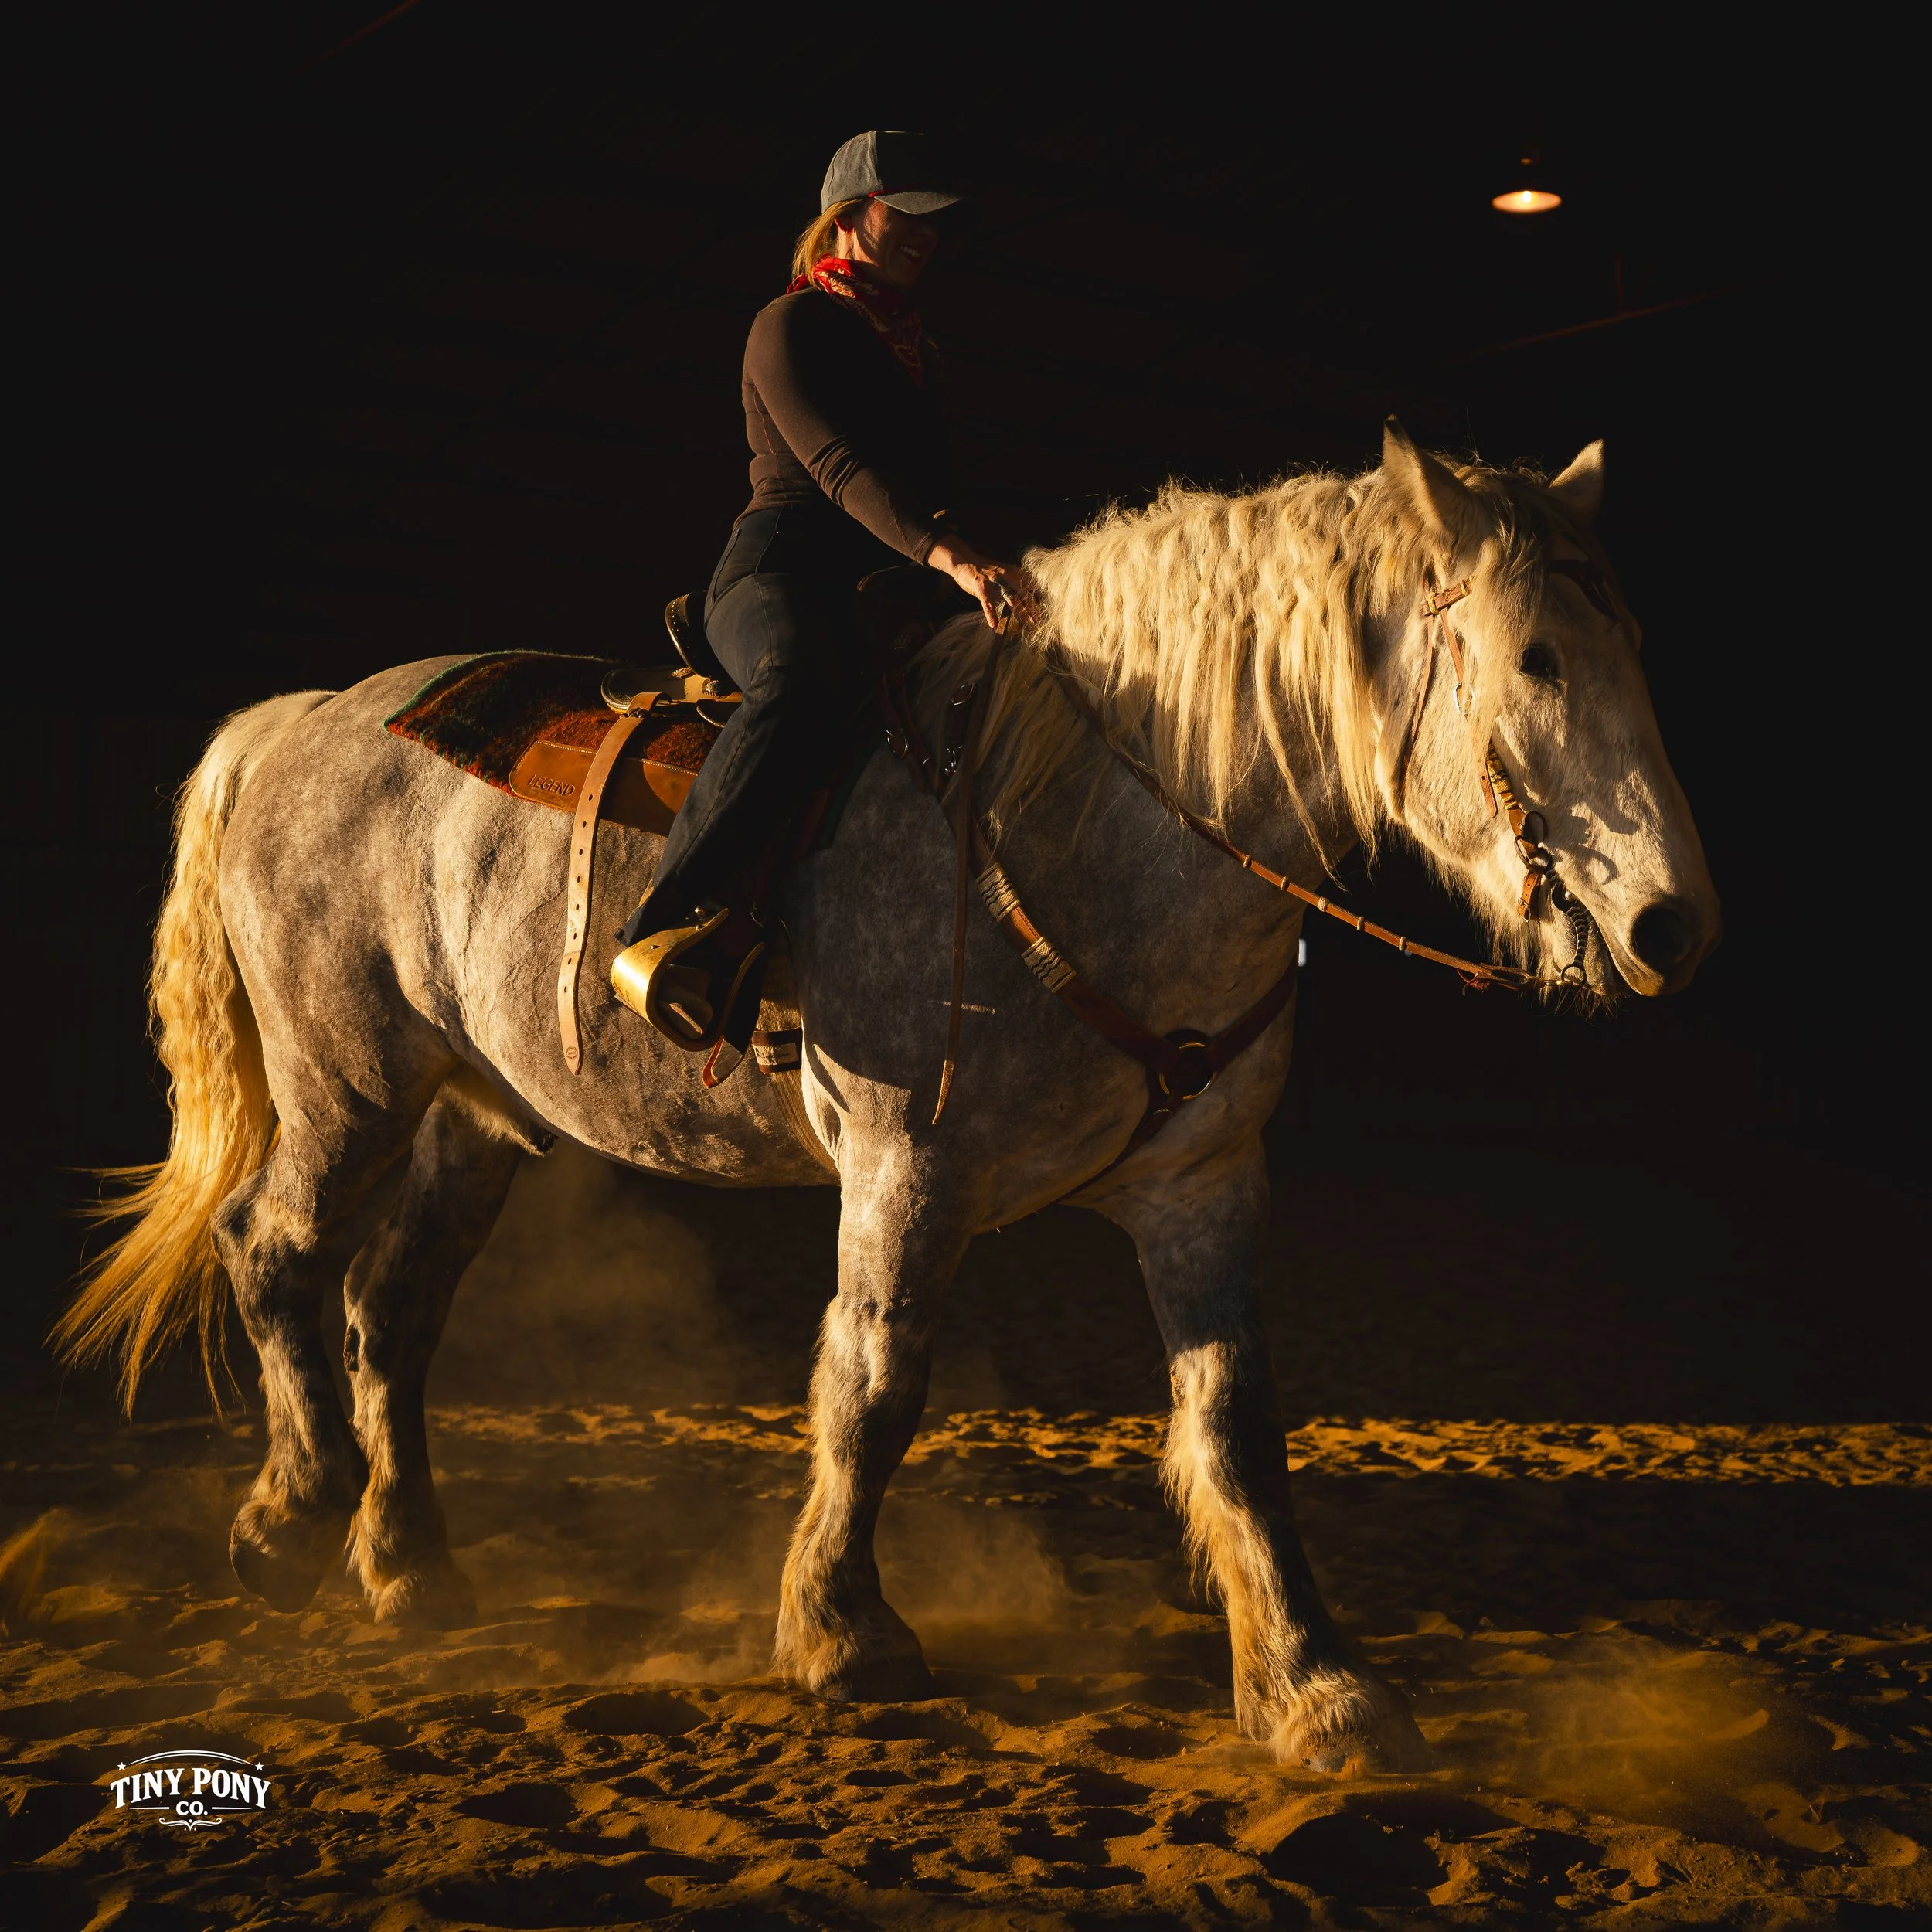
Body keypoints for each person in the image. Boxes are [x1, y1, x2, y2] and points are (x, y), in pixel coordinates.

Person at [611, 129, 1022, 1054]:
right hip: (779, 569)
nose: (925, 237)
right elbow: (838, 470)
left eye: (934, 224)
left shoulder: (922, 354)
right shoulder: (788, 325)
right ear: (848, 219)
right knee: (800, 676)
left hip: (886, 589)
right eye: (904, 218)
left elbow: (942, 489)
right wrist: (949, 555)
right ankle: (663, 929)